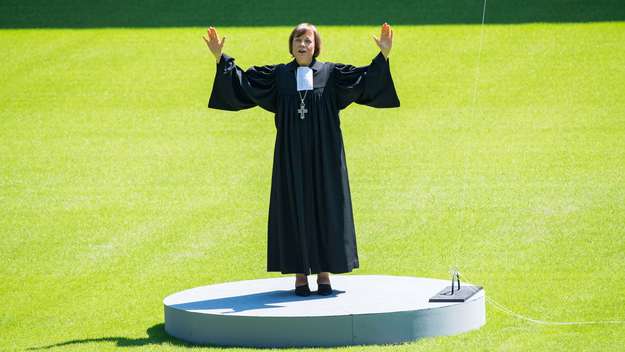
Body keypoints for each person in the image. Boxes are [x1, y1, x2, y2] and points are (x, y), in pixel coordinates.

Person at [203, 22, 399, 297]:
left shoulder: (331, 74)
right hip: (290, 153)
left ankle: (324, 274)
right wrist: (219, 58)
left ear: (315, 46)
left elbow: (364, 82)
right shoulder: (279, 76)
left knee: (326, 206)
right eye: (298, 39)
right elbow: (245, 84)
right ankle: (299, 275)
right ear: (291, 45)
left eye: (307, 40)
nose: (302, 44)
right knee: (293, 206)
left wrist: (383, 57)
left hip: (325, 153)